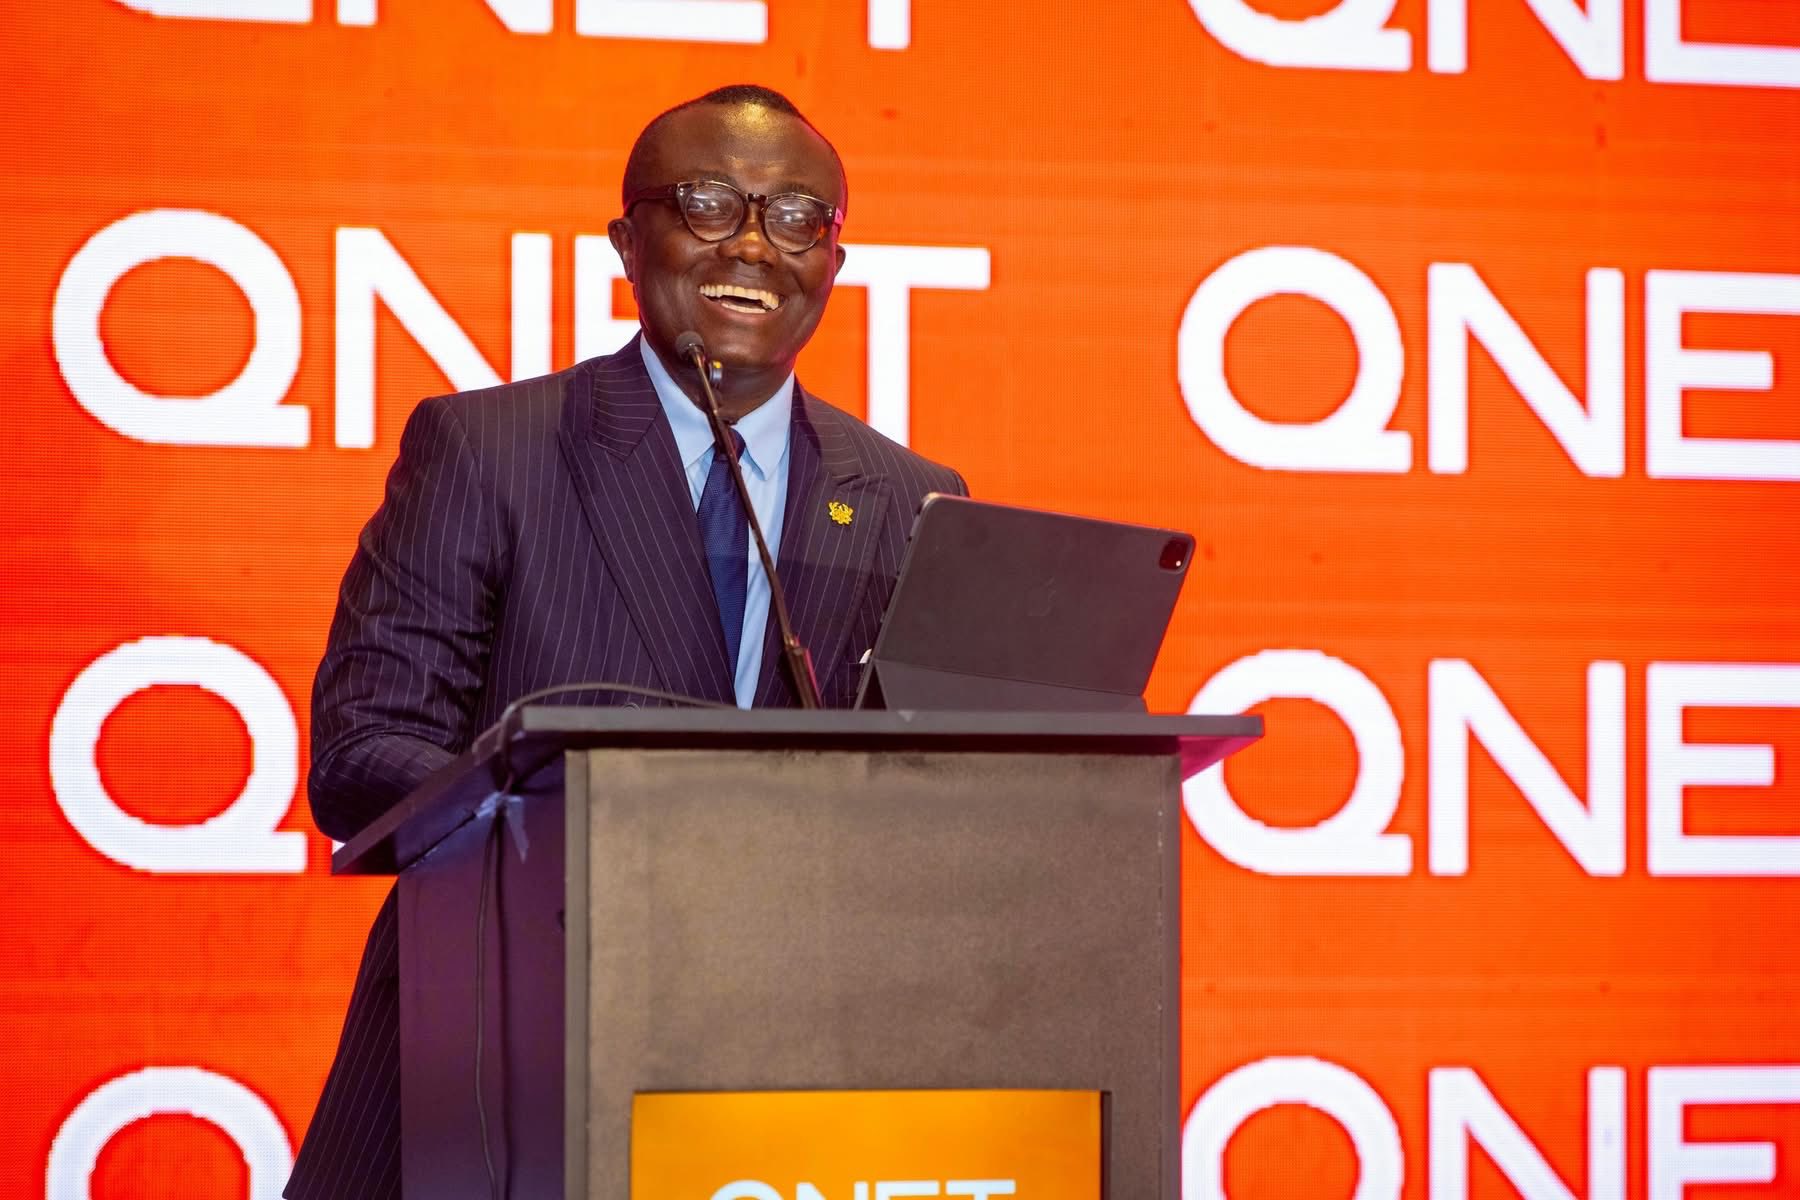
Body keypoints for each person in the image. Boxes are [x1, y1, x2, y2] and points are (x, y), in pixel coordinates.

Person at [285, 83, 967, 1199]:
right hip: (504, 1045)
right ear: (625, 241)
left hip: (787, 1076)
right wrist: (598, 817)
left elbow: (942, 798)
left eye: (797, 218)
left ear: (834, 263)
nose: (754, 245)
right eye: (708, 205)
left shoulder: (909, 499)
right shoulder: (488, 448)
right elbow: (363, 751)